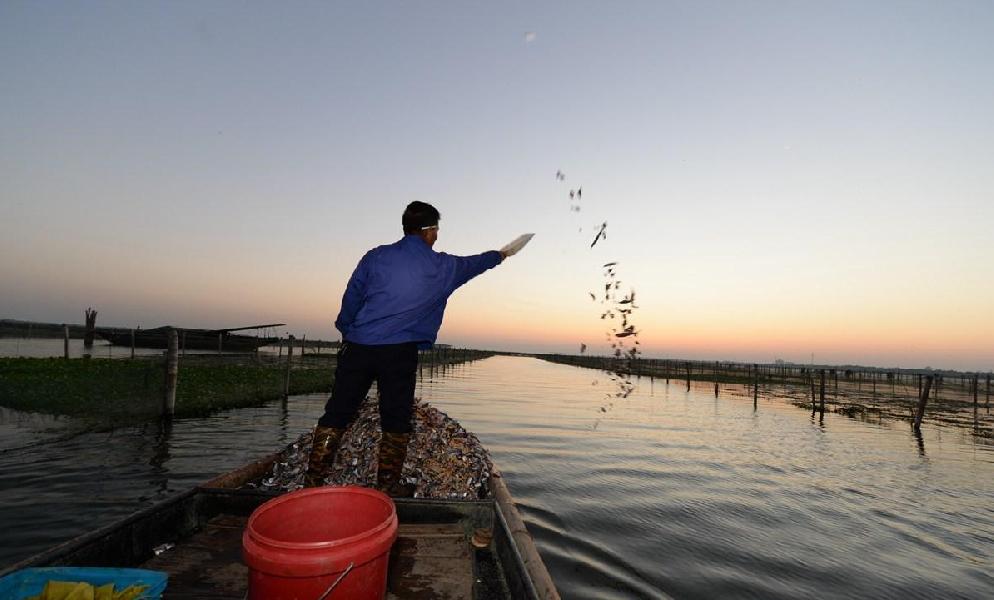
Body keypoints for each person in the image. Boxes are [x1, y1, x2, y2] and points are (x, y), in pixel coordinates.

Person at [305, 201, 527, 496]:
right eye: (436, 230)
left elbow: (352, 296)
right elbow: (477, 262)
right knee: (396, 418)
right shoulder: (445, 267)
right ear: (430, 231)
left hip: (358, 346)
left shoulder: (375, 257)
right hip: (398, 353)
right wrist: (502, 254)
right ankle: (386, 487)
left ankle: (312, 482)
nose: (437, 235)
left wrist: (347, 328)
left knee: (337, 413)